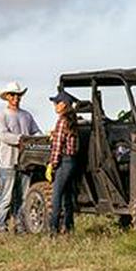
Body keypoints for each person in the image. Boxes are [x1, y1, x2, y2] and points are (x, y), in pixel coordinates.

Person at [0, 81, 41, 233]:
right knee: (6, 197)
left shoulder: (26, 115)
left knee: (23, 196)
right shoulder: (1, 115)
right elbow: (3, 135)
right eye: (13, 95)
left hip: (26, 161)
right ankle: (1, 227)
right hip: (9, 160)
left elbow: (36, 132)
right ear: (7, 97)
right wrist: (22, 139)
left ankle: (20, 226)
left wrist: (41, 139)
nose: (16, 97)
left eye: (18, 95)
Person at [47, 90, 79, 235]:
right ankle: (69, 227)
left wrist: (52, 164)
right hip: (72, 162)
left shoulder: (62, 121)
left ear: (63, 105)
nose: (55, 105)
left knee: (56, 196)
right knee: (67, 196)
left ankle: (53, 229)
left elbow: (58, 146)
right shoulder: (72, 121)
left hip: (63, 162)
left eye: (57, 103)